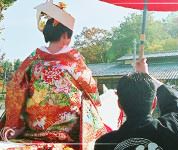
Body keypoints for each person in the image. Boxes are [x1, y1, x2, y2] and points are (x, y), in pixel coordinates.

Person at [0, 1, 106, 149]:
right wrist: (95, 101)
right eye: (69, 37)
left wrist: (14, 124)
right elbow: (90, 86)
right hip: (68, 131)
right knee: (86, 99)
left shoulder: (33, 58)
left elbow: (15, 86)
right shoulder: (73, 58)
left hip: (34, 128)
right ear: (65, 36)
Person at [95, 59, 178, 150]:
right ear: (154, 102)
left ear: (119, 104)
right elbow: (175, 104)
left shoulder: (104, 143)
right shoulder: (172, 131)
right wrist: (147, 75)